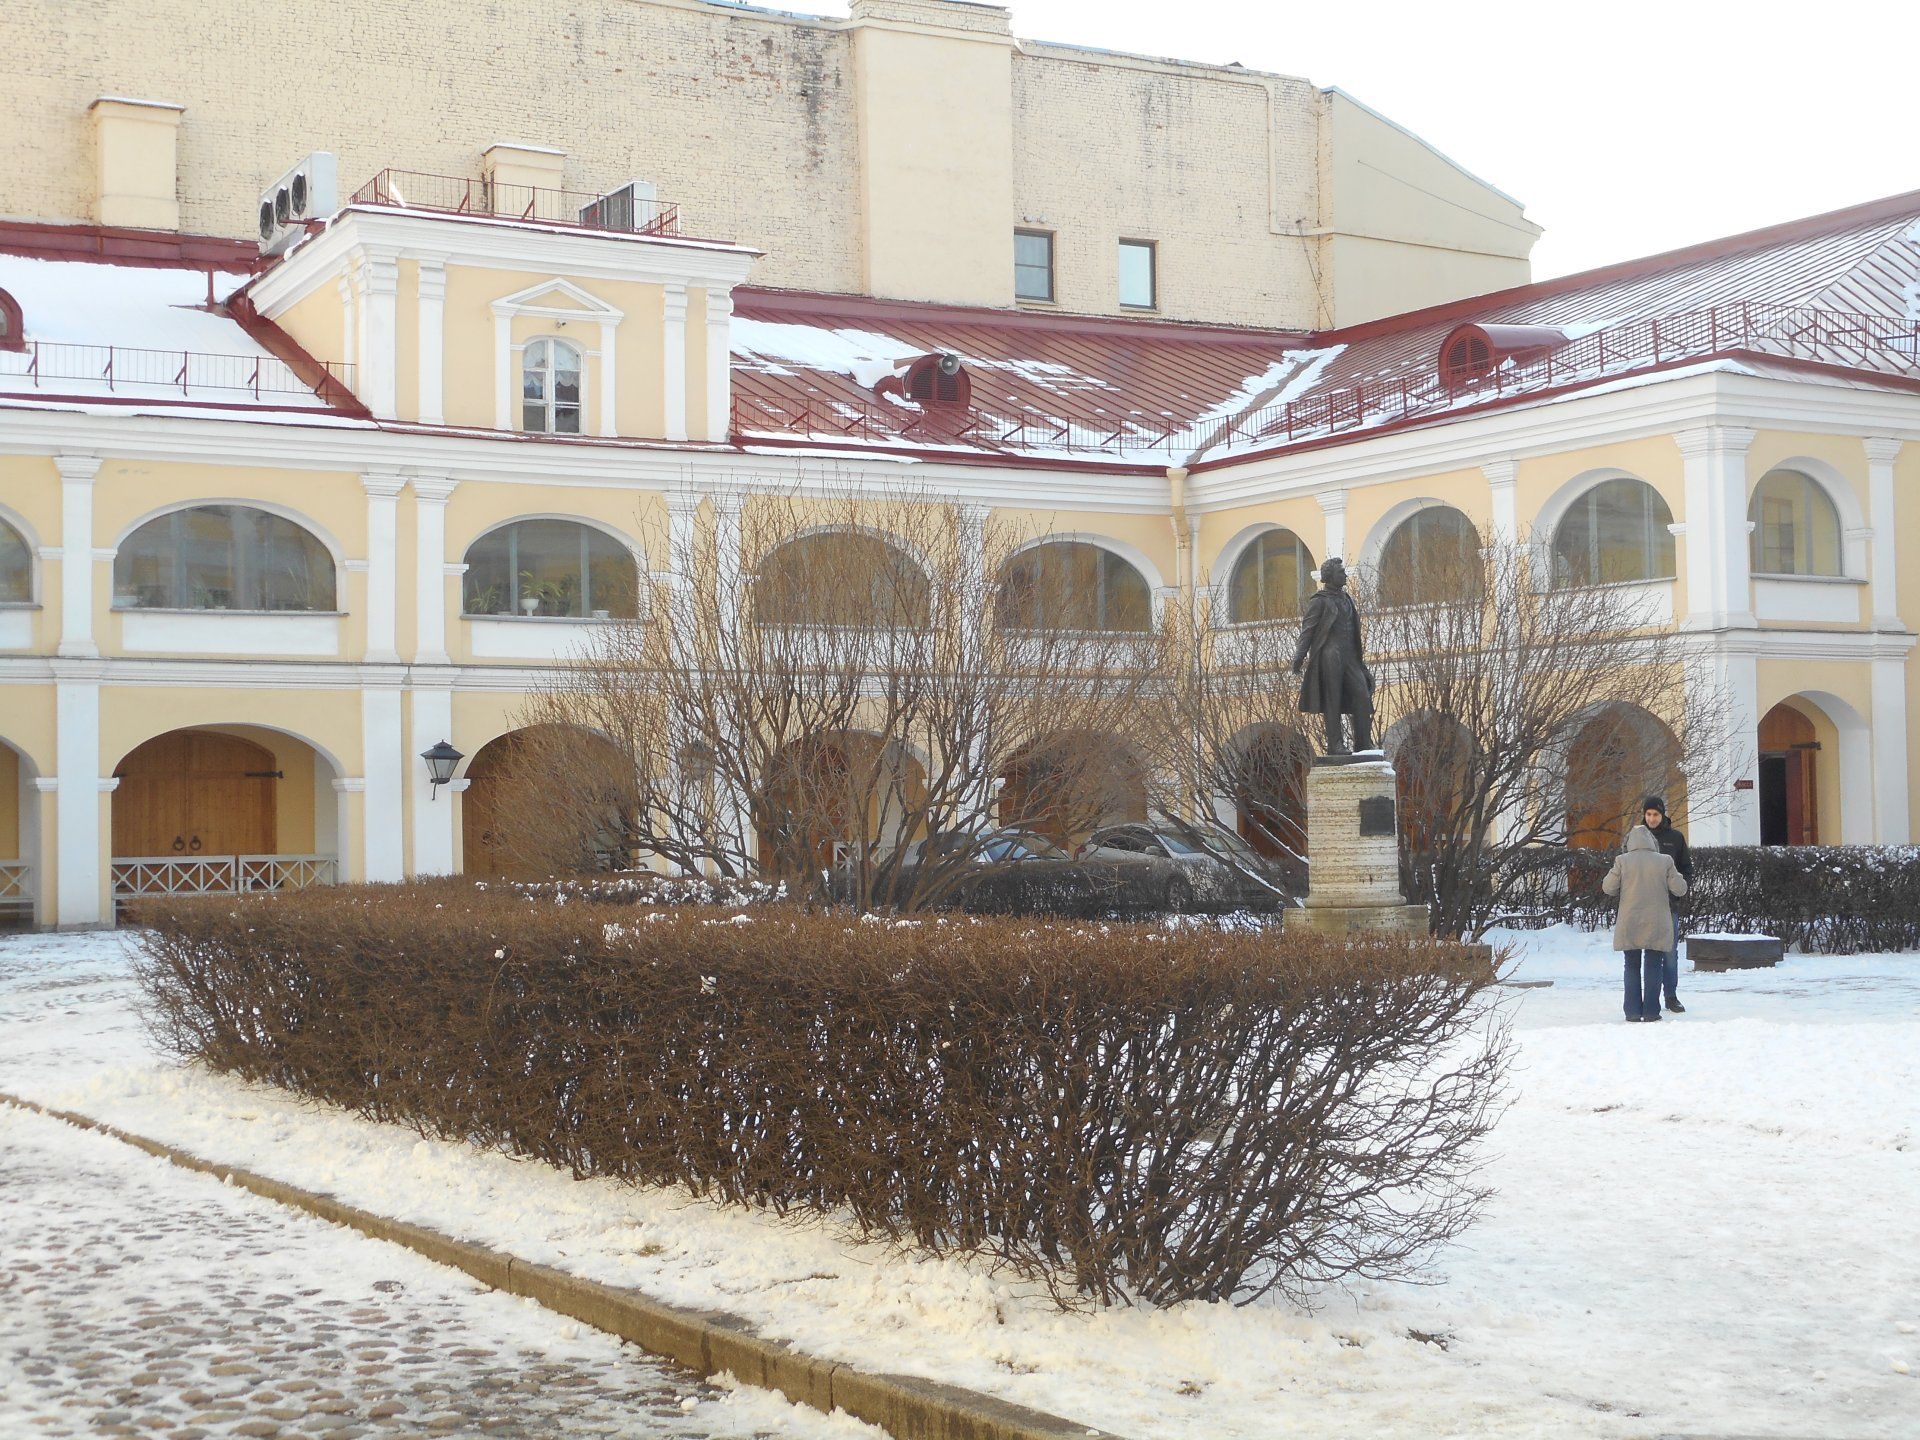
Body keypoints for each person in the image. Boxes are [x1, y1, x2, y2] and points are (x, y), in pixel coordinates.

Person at [1601, 824, 1688, 1023]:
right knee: (1654, 965)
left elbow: (1608, 888)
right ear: (1652, 842)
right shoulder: (1665, 861)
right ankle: (1651, 1011)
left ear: (1629, 843)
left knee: (1630, 966)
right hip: (1657, 922)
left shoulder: (1622, 861)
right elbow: (1680, 889)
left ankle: (1632, 1012)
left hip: (1630, 921)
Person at [1290, 557, 1376, 755]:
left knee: (1362, 695)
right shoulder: (1319, 601)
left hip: (1350, 655)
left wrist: (1360, 664)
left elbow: (1353, 631)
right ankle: (1335, 745)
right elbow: (1308, 630)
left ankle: (1363, 744)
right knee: (1333, 699)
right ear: (1330, 576)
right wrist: (1299, 656)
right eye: (1341, 572)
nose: (1345, 575)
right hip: (1330, 654)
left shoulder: (1346, 599)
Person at [1641, 796, 1693, 1013]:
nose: (1652, 818)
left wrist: (1677, 893)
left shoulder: (1675, 838)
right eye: (1648, 814)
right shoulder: (1637, 838)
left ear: (1662, 815)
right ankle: (1650, 997)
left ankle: (1671, 995)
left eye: (1656, 814)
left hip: (1668, 905)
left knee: (1670, 953)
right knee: (1649, 953)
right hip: (1643, 905)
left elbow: (1686, 869)